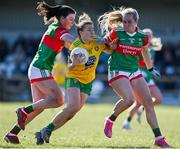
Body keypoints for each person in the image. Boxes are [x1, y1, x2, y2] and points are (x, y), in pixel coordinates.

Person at [4, 1, 76, 144]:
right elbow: (71, 41)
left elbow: (69, 45)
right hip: (40, 69)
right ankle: (24, 110)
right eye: (71, 19)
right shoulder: (59, 29)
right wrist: (86, 44)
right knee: (59, 100)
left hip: (37, 69)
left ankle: (12, 133)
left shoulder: (56, 29)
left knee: (38, 108)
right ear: (61, 19)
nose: (73, 23)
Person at [34, 13, 112, 145]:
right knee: (73, 106)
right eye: (89, 30)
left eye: (93, 30)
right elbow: (68, 69)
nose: (92, 32)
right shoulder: (76, 46)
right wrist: (74, 63)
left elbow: (111, 51)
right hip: (74, 77)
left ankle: (45, 130)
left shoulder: (96, 41)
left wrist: (106, 41)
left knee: (73, 112)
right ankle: (47, 130)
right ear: (81, 32)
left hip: (88, 80)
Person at [98, 7, 171, 148]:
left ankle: (158, 138)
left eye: (129, 22)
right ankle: (110, 120)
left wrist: (150, 68)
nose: (126, 24)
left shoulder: (142, 37)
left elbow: (145, 52)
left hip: (133, 71)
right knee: (129, 100)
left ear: (136, 22)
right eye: (124, 22)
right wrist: (109, 47)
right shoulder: (117, 32)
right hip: (117, 70)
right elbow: (104, 45)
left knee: (148, 103)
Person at [122, 28, 164, 129]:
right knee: (137, 103)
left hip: (149, 79)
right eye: (146, 35)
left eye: (150, 35)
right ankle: (126, 123)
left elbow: (157, 48)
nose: (149, 37)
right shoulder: (138, 48)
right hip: (139, 78)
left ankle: (142, 109)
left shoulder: (152, 47)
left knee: (158, 99)